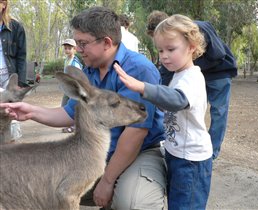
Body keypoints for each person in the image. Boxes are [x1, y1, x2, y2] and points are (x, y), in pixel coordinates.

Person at [0, 6, 166, 210]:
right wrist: (30, 111)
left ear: (106, 42)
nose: (78, 49)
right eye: (77, 43)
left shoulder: (138, 69)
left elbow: (135, 134)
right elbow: (68, 113)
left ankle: (122, 190)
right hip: (96, 153)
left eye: (83, 43)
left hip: (137, 152)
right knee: (38, 185)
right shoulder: (90, 70)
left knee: (132, 203)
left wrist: (106, 182)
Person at [115, 14, 213, 210]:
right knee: (176, 201)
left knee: (186, 205)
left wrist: (143, 87)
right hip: (176, 153)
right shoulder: (179, 74)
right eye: (160, 50)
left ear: (191, 46)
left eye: (171, 49)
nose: (164, 56)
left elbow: (177, 100)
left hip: (191, 161)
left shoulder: (192, 77)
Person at [146, 10, 238, 159]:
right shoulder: (178, 55)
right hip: (198, 72)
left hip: (219, 72)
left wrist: (191, 67)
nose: (164, 53)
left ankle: (212, 153)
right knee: (194, 109)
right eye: (161, 49)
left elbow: (219, 53)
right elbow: (165, 75)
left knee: (218, 112)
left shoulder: (197, 29)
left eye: (169, 48)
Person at [0, 0, 27, 141]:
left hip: (9, 78)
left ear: (3, 4)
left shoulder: (15, 27)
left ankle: (10, 151)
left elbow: (21, 56)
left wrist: (20, 83)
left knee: (11, 115)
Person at [61, 38, 83, 133]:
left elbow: (78, 76)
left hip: (73, 88)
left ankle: (73, 126)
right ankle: (68, 124)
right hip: (67, 88)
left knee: (72, 107)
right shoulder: (67, 59)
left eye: (69, 48)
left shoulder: (75, 63)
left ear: (75, 49)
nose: (67, 50)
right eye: (65, 48)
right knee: (64, 105)